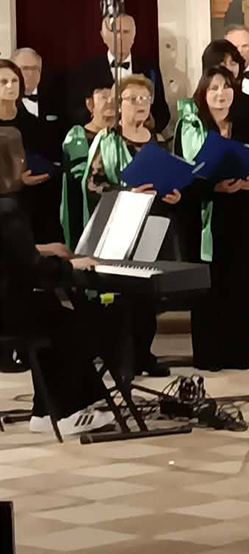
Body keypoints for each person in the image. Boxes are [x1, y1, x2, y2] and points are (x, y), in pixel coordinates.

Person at [0, 129, 116, 437]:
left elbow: (11, 252)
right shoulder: (8, 209)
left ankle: (44, 410)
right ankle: (69, 410)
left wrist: (42, 248)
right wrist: (68, 265)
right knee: (71, 324)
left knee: (50, 311)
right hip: (8, 311)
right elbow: (31, 269)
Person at [84, 73, 182, 378]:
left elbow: (170, 175)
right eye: (132, 99)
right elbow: (92, 184)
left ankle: (144, 354)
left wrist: (175, 193)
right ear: (118, 104)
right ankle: (119, 356)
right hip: (121, 223)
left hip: (155, 221)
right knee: (120, 295)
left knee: (147, 294)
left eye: (145, 99)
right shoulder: (108, 139)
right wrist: (127, 192)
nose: (140, 104)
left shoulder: (158, 140)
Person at [173, 68, 249, 371]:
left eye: (226, 87)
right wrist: (214, 187)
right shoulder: (192, 128)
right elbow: (184, 176)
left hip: (238, 215)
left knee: (238, 283)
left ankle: (240, 353)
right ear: (203, 94)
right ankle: (210, 354)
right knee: (208, 287)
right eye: (213, 88)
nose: (220, 94)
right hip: (203, 217)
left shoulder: (246, 126)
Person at [70, 13, 170, 133]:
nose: (120, 38)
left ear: (134, 36)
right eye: (115, 32)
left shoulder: (149, 67)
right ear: (103, 36)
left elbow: (162, 112)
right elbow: (75, 112)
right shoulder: (87, 70)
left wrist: (150, 126)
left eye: (126, 32)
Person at [0, 58, 60, 244]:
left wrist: (47, 170)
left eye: (14, 81)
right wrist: (16, 180)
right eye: (3, 82)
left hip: (37, 200)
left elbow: (52, 155)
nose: (10, 86)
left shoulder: (33, 123)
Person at [58, 80, 115, 251]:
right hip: (87, 211)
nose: (110, 101)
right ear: (90, 103)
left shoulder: (121, 137)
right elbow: (81, 177)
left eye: (114, 97)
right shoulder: (78, 136)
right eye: (103, 96)